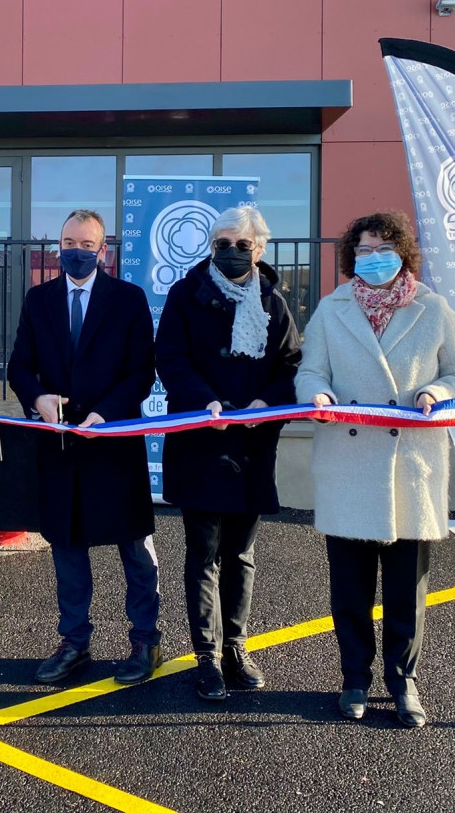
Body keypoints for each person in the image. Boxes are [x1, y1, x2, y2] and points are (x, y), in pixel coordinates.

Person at [295, 211, 455, 728]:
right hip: (348, 461)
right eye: (364, 250)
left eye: (383, 248)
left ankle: (403, 680)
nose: (373, 258)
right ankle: (354, 676)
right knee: (349, 588)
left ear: (403, 253)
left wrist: (437, 392)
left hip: (410, 467)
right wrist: (317, 394)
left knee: (405, 590)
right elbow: (311, 369)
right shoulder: (332, 310)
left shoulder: (433, 309)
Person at [7, 210, 160, 686]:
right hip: (60, 447)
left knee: (135, 550)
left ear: (103, 251)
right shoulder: (38, 299)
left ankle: (145, 641)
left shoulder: (129, 299)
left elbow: (142, 371)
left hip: (113, 444)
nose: (76, 250)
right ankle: (75, 642)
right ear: (58, 246)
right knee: (68, 550)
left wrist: (106, 414)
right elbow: (19, 365)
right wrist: (38, 397)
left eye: (86, 243)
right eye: (68, 241)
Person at [155, 206, 301, 702]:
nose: (232, 252)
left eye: (242, 244)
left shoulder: (275, 301)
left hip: (252, 444)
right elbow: (169, 355)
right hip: (201, 438)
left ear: (259, 249)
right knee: (203, 553)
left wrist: (266, 403)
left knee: (241, 553)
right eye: (222, 242)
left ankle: (236, 647)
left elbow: (290, 366)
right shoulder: (185, 294)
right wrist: (203, 401)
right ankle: (206, 656)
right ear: (210, 246)